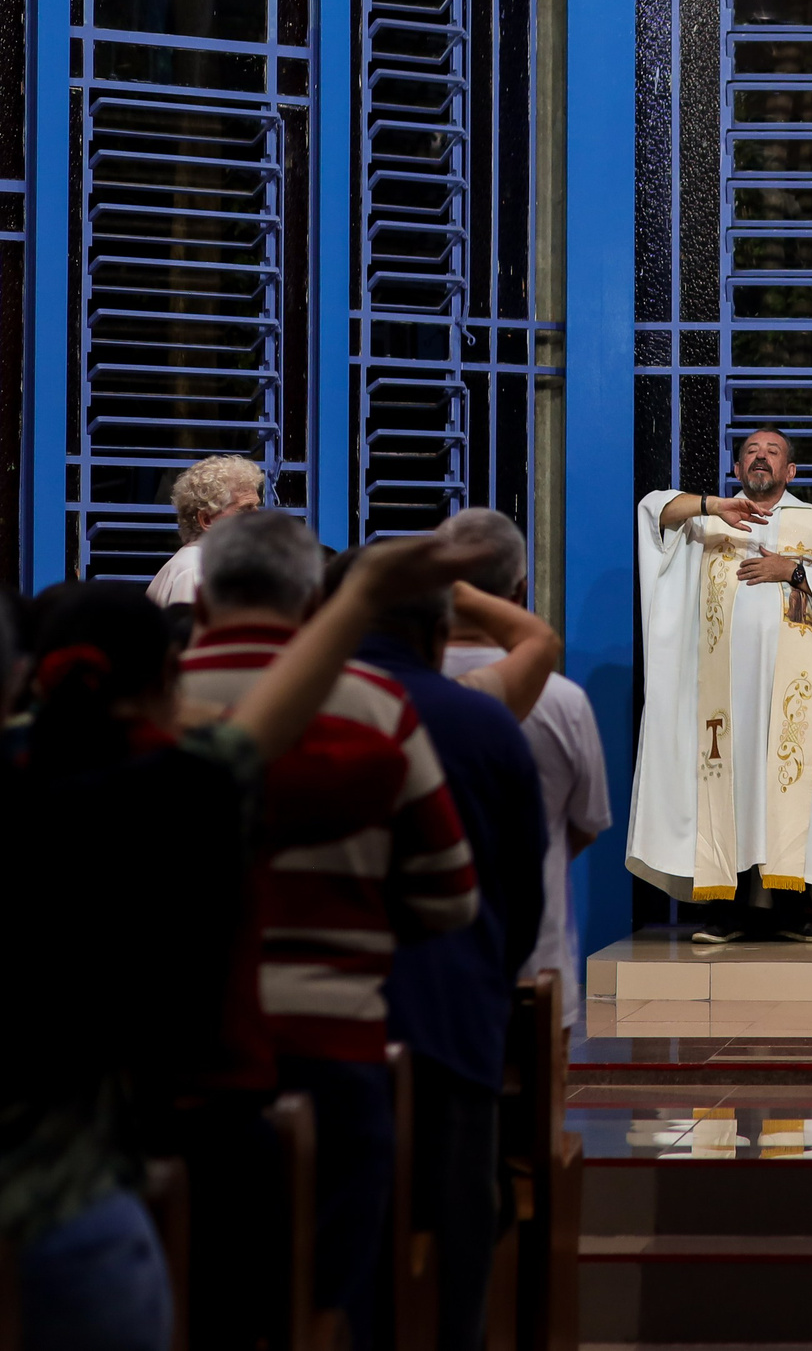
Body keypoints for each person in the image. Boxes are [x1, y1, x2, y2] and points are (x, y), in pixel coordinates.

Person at [7, 538, 497, 1351]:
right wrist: (364, 594)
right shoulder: (186, 782)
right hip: (258, 1076)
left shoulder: (34, 776)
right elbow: (427, 867)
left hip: (130, 1091)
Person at [180, 511, 485, 1346]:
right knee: (334, 1295)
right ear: (313, 600)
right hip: (336, 1039)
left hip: (183, 1052)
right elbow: (451, 893)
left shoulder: (158, 694)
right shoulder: (374, 704)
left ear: (202, 601)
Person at [337, 548, 548, 1351]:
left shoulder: (303, 709)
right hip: (451, 1007)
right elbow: (519, 884)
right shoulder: (478, 714)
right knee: (461, 1214)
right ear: (438, 633)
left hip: (328, 1016)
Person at [633, 429, 812, 943]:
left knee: (791, 787)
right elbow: (653, 511)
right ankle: (727, 910)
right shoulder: (708, 521)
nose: (761, 458)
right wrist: (714, 506)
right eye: (751, 452)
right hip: (725, 692)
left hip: (793, 695)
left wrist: (795, 570)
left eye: (773, 452)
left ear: (791, 471)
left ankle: (794, 910)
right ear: (738, 469)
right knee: (728, 786)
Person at [436, 508, 612, 1008]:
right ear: (519, 592)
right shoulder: (562, 701)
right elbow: (584, 824)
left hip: (427, 958)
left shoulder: (394, 693)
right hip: (536, 954)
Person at [145, 453, 266, 607]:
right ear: (207, 520)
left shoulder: (202, 566)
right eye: (245, 509)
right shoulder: (195, 573)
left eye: (256, 506)